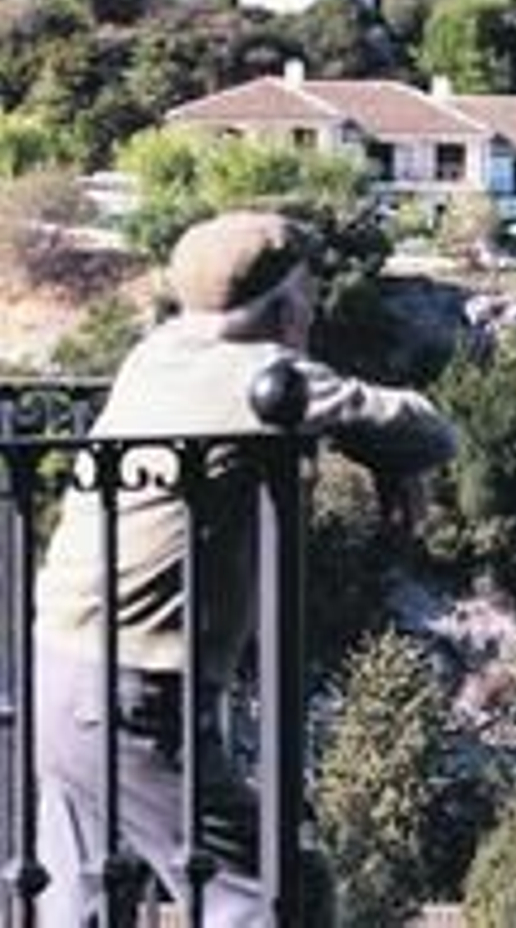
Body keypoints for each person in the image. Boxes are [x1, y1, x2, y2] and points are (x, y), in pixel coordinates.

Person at [33, 211, 458, 925]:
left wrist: (382, 458)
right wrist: (393, 456)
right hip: (134, 694)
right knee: (272, 893)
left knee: (83, 900)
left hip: (59, 669)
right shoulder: (259, 375)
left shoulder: (156, 354)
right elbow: (425, 428)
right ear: (287, 306)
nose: (314, 311)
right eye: (310, 294)